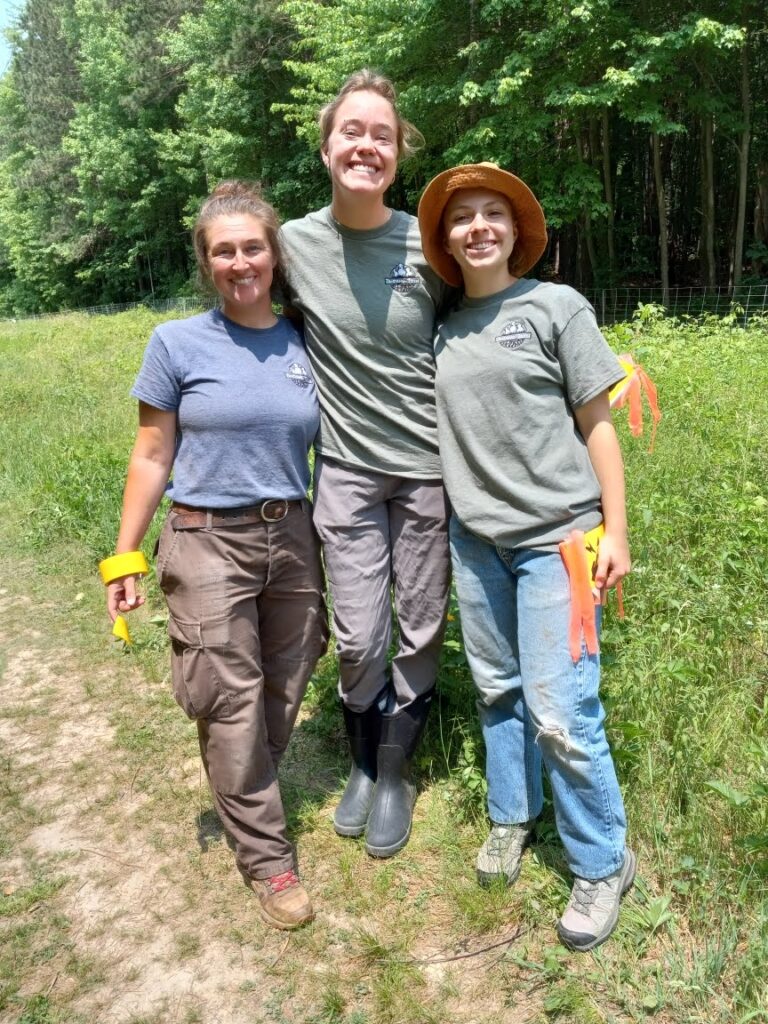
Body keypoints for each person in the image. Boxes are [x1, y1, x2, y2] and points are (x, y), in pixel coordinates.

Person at [417, 163, 635, 952]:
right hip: (476, 543)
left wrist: (617, 530)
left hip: (557, 543)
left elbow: (598, 423)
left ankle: (602, 860)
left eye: (492, 215)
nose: (477, 227)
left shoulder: (554, 307)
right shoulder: (440, 329)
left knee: (561, 708)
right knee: (499, 691)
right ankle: (513, 818)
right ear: (444, 239)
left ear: (516, 232)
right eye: (461, 218)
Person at [103, 181, 327, 931]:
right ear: (207, 262)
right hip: (205, 538)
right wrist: (124, 557)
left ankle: (245, 786)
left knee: (286, 682)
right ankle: (268, 860)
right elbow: (152, 451)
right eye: (223, 250)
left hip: (293, 533)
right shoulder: (176, 343)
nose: (240, 262)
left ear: (274, 253)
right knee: (230, 700)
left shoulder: (305, 339)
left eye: (252, 247)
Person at [277, 70, 452, 858]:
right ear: (326, 148)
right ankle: (359, 759)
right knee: (358, 633)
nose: (367, 146)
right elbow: (248, 311)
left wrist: (580, 354)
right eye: (353, 131)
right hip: (344, 470)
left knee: (418, 624)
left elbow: (489, 306)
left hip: (427, 468)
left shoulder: (430, 240)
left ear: (398, 152)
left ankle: (394, 772)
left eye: (382, 134)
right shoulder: (293, 244)